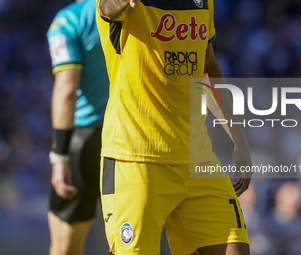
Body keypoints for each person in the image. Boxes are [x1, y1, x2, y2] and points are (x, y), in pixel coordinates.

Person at [96, 0, 252, 254]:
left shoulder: (204, 2)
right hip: (136, 160)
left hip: (197, 158)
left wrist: (239, 139)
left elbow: (206, 67)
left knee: (235, 249)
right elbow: (108, 8)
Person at [46, 0, 109, 254]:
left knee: (65, 247)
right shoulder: (130, 13)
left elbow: (67, 90)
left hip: (84, 141)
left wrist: (60, 156)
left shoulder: (68, 21)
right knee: (128, 241)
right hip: (126, 136)